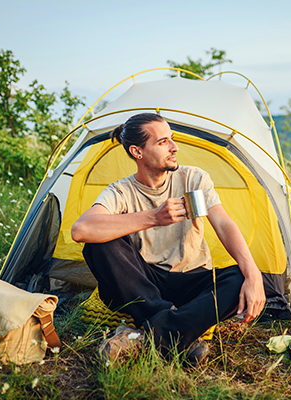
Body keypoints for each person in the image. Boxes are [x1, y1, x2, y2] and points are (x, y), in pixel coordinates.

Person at [71, 113, 265, 362]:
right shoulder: (121, 191)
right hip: (142, 284)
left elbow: (224, 224)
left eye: (171, 139)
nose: (174, 147)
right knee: (97, 243)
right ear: (137, 151)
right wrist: (153, 217)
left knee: (241, 277)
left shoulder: (192, 179)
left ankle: (148, 337)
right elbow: (81, 230)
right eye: (163, 142)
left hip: (191, 280)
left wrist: (253, 273)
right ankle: (179, 331)